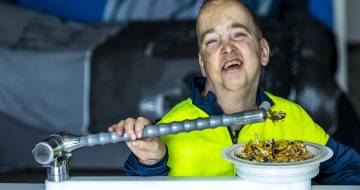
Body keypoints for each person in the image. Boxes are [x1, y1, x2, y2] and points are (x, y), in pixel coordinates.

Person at [108, 0, 360, 184]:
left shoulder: (292, 117)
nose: (227, 48)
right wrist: (151, 163)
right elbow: (137, 185)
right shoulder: (171, 129)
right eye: (212, 41)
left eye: (239, 34)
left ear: (263, 52)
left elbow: (351, 169)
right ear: (203, 64)